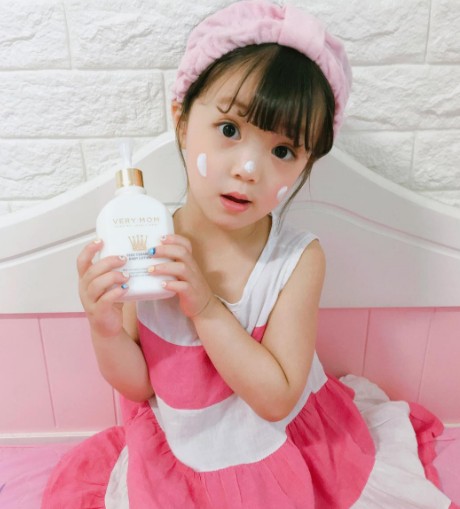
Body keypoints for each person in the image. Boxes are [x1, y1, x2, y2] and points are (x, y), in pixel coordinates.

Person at [41, 1, 457, 508]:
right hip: (185, 450)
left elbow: (276, 398)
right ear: (181, 121)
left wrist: (205, 307)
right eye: (229, 130)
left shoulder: (296, 260)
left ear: (305, 163)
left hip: (278, 445)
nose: (249, 169)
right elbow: (139, 385)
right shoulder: (147, 242)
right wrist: (104, 328)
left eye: (283, 151)